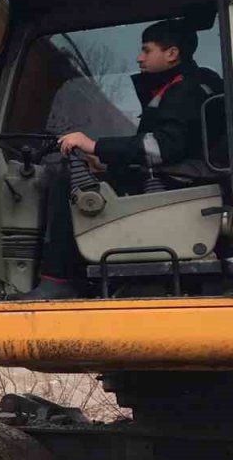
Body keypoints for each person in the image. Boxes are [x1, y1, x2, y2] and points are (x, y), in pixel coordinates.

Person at [18, 19, 223, 300]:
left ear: (172, 54)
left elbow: (162, 147)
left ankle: (59, 278)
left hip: (182, 180)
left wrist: (94, 144)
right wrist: (105, 162)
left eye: (146, 50)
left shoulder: (184, 90)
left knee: (67, 185)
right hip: (183, 174)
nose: (139, 57)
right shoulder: (189, 86)